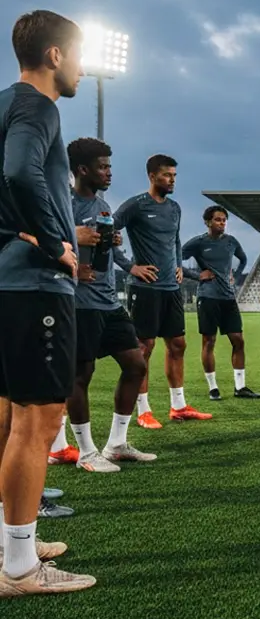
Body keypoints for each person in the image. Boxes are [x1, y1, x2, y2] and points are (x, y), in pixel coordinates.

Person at [0, 9, 95, 595]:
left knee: (9, 413)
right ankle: (18, 568)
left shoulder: (4, 103)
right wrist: (56, 241)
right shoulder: (39, 106)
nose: (83, 69)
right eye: (79, 55)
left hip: (7, 282)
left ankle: (13, 541)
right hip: (34, 286)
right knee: (39, 419)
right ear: (55, 56)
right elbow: (18, 172)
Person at [49, 138, 155, 474]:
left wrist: (115, 246)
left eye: (109, 166)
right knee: (81, 375)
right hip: (78, 303)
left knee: (136, 364)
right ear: (82, 170)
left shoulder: (103, 204)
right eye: (103, 167)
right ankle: (85, 451)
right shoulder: (61, 204)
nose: (109, 172)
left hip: (109, 302)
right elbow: (39, 243)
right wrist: (69, 262)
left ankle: (117, 444)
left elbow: (103, 248)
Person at [115, 155, 211, 426]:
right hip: (145, 288)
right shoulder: (135, 205)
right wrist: (129, 267)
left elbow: (176, 239)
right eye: (167, 175)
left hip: (171, 287)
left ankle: (178, 406)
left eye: (175, 176)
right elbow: (107, 231)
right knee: (144, 347)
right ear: (152, 176)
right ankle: (143, 410)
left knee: (177, 344)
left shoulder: (175, 208)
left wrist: (179, 265)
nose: (172, 180)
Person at [182, 206, 260, 401]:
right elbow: (176, 258)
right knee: (209, 341)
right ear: (208, 222)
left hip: (228, 298)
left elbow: (243, 259)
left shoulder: (231, 242)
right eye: (218, 220)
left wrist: (234, 275)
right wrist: (196, 275)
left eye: (224, 220)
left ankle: (240, 387)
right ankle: (213, 387)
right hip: (208, 297)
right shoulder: (198, 243)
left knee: (238, 340)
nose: (222, 223)